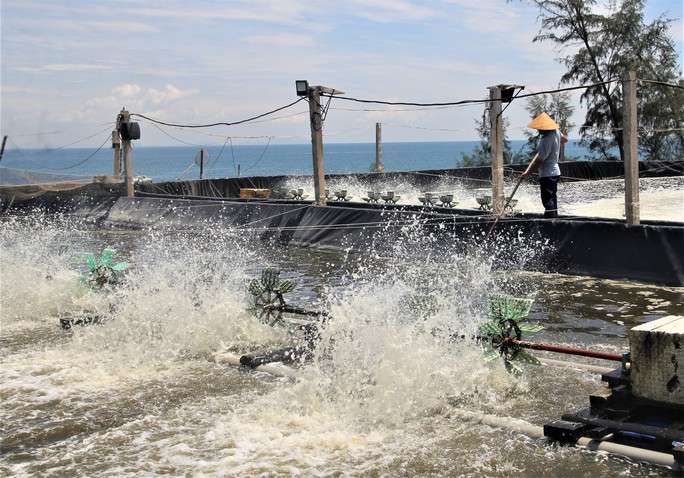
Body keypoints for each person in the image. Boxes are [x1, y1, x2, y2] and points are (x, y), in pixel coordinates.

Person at [520, 112, 568, 218]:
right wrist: (555, 146)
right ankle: (553, 220)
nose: (538, 130)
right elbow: (565, 139)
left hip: (547, 174)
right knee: (552, 199)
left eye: (539, 128)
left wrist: (528, 174)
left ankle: (551, 223)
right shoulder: (556, 132)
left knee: (547, 201)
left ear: (544, 128)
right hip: (555, 172)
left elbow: (539, 161)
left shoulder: (546, 140)